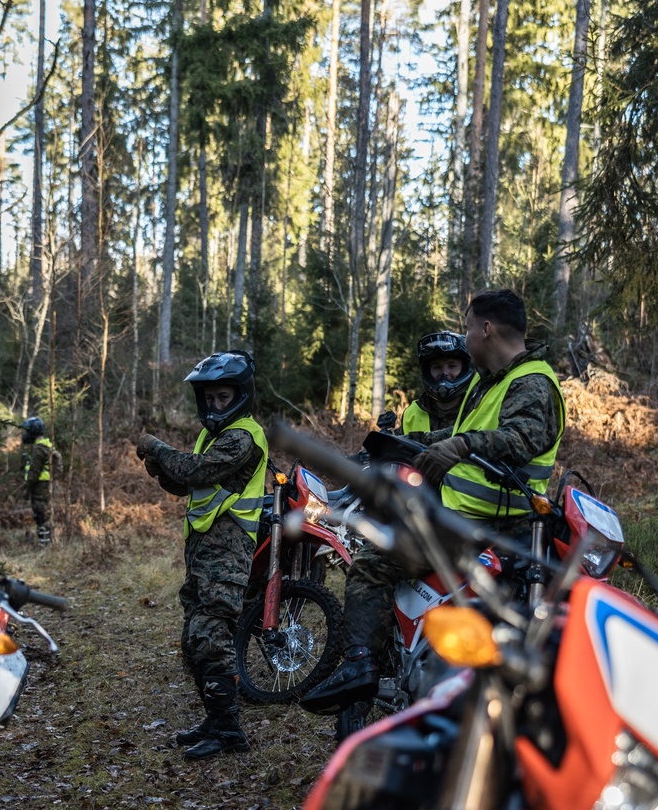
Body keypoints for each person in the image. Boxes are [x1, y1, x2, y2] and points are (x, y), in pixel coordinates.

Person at [303, 288, 566, 714]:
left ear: (486, 328)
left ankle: (359, 666)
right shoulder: (494, 382)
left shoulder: (531, 382)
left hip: (488, 525)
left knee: (371, 564)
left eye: (467, 329)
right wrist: (413, 443)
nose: (465, 340)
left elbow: (525, 437)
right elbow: (467, 429)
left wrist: (460, 447)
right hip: (472, 517)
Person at [135, 351, 268, 759]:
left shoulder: (242, 436)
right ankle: (215, 718)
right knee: (194, 639)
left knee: (211, 635)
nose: (215, 404)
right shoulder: (213, 436)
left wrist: (157, 448)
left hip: (228, 551)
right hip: (203, 551)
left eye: (223, 397)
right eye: (209, 397)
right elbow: (186, 484)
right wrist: (159, 466)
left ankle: (229, 730)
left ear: (240, 396)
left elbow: (195, 472)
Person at [401, 330, 473, 434]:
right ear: (427, 372)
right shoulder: (411, 413)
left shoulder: (476, 408)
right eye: (437, 367)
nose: (444, 374)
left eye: (452, 366)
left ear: (465, 369)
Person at [20, 417, 62, 545]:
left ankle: (45, 546)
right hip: (46, 486)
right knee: (45, 514)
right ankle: (47, 544)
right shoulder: (46, 445)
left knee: (41, 515)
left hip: (39, 487)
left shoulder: (38, 449)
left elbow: (34, 472)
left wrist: (27, 490)